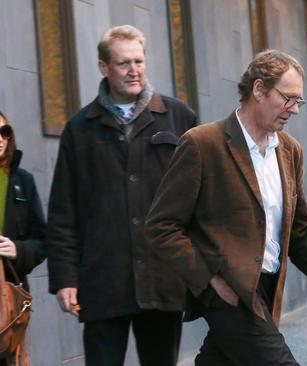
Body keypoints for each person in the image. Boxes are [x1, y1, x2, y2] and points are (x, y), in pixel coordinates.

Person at [144, 49, 307, 365]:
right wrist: (210, 280)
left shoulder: (290, 151)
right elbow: (162, 227)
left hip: (269, 289)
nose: (295, 110)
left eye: (299, 101)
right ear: (258, 89)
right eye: (288, 98)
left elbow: (299, 232)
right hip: (232, 294)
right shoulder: (202, 144)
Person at [46, 25, 197, 366]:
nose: (133, 70)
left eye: (139, 61)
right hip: (102, 279)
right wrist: (65, 279)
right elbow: (63, 211)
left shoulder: (178, 118)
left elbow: (201, 198)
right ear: (104, 67)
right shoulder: (80, 128)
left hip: (162, 276)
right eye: (123, 63)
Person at [0, 111, 46, 365]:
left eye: (4, 132)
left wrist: (16, 249)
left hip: (8, 299)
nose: (0, 138)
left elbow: (42, 241)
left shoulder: (22, 181)